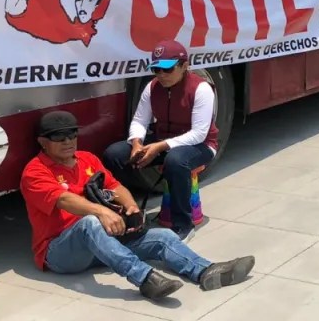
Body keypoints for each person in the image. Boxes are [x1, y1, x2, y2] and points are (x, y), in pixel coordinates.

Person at [20, 111, 254, 301]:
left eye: (71, 135)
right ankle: (145, 279)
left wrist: (130, 206)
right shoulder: (35, 171)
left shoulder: (87, 158)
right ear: (42, 142)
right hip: (60, 252)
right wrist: (102, 211)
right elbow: (63, 199)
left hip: (103, 243)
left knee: (163, 236)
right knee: (90, 223)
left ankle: (206, 272)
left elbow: (114, 186)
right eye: (59, 138)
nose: (68, 142)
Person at [104, 40, 218, 238]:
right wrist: (137, 142)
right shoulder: (152, 87)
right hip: (163, 141)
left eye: (167, 69)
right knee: (113, 154)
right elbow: (140, 120)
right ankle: (128, 213)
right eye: (156, 69)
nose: (161, 75)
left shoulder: (201, 89)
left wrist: (159, 146)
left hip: (200, 145)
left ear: (184, 66)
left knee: (175, 160)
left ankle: (183, 224)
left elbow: (199, 133)